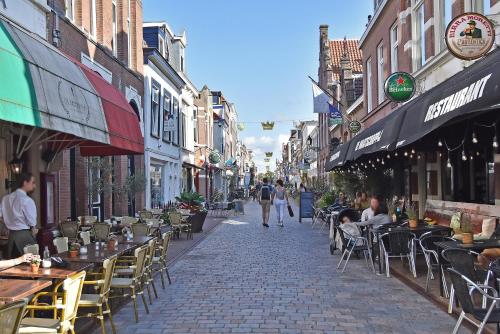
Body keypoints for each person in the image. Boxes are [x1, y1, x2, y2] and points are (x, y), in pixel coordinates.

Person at [1, 172, 38, 258]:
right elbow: (32, 222)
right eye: (33, 183)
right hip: (24, 237)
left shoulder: (5, 199)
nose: (34, 186)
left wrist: (8, 225)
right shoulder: (27, 200)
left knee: (12, 266)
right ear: (25, 183)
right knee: (32, 265)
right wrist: (33, 229)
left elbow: (0, 215)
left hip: (11, 237)